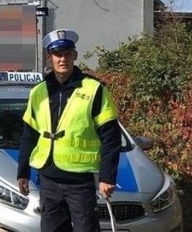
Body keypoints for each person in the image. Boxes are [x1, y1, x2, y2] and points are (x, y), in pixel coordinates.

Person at [17, 29, 121, 232]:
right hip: (48, 179)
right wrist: (22, 172)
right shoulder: (38, 92)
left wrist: (107, 177)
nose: (62, 59)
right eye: (57, 54)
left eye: (66, 53)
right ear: (50, 57)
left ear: (74, 55)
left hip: (79, 182)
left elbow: (111, 137)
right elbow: (28, 134)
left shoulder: (94, 89)